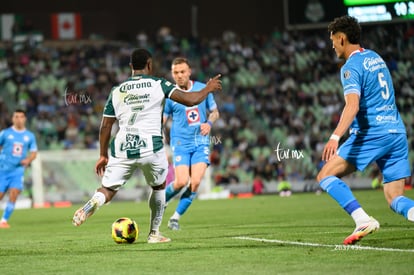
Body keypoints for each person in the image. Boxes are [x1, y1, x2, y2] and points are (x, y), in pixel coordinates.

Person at [72, 49, 222, 244]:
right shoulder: (159, 84)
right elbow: (190, 99)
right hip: (151, 148)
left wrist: (102, 155)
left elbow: (106, 126)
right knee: (159, 187)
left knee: (107, 189)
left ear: (130, 67)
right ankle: (154, 233)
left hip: (123, 147)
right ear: (149, 64)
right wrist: (208, 88)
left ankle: (92, 203)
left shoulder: (117, 90)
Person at [317, 15, 414, 245]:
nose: (332, 45)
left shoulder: (351, 66)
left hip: (373, 133)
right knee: (395, 198)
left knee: (325, 175)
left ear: (342, 38)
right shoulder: (376, 58)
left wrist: (334, 137)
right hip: (397, 133)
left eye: (333, 40)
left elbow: (352, 106)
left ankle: (362, 219)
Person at [163, 57, 220, 230]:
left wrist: (208, 123)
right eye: (175, 73)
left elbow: (215, 112)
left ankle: (175, 218)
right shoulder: (170, 94)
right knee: (181, 181)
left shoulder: (203, 89)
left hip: (200, 142)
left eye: (182, 72)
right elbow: (162, 119)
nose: (179, 76)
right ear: (172, 74)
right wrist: (159, 136)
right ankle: (161, 201)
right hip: (180, 142)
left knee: (195, 182)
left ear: (189, 72)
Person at [0, 109, 38, 228]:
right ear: (12, 118)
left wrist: (28, 160)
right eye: (16, 116)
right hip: (3, 170)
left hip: (17, 171)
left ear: (25, 119)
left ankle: (3, 221)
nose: (19, 119)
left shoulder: (29, 136)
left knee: (14, 194)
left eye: (21, 117)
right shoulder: (5, 133)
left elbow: (34, 152)